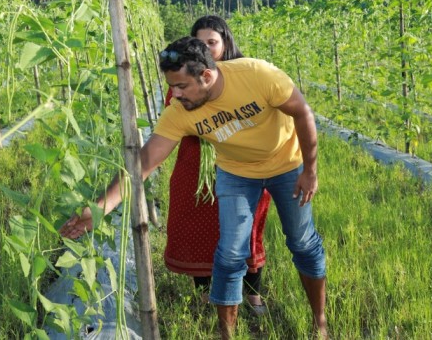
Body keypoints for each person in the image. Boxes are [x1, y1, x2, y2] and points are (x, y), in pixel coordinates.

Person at [60, 37, 327, 339]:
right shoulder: (180, 111)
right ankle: (227, 335)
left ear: (207, 76)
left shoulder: (257, 75)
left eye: (182, 86)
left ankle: (320, 324)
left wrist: (310, 170)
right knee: (228, 255)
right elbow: (145, 161)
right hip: (236, 173)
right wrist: (99, 209)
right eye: (172, 86)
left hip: (286, 165)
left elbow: (302, 112)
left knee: (303, 244)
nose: (175, 94)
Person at [163, 16, 270, 313]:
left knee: (245, 229)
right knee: (197, 226)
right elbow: (174, 116)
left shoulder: (243, 76)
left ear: (225, 43)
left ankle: (252, 296)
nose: (208, 47)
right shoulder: (182, 79)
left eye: (213, 42)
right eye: (201, 43)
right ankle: (204, 297)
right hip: (196, 166)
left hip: (241, 165)